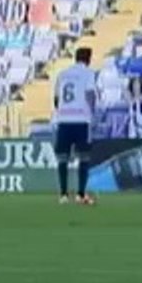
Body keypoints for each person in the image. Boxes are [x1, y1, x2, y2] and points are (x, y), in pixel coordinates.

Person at [52, 47, 97, 206]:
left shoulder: (62, 74)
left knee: (63, 158)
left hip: (64, 119)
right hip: (81, 119)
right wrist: (92, 113)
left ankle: (63, 195)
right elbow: (90, 94)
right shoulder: (88, 73)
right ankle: (80, 194)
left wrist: (62, 112)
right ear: (88, 59)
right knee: (84, 157)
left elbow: (56, 99)